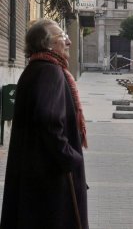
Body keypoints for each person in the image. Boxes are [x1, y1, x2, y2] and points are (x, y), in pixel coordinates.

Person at [0, 19, 89, 229]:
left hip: (35, 175)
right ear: (47, 44)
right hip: (50, 179)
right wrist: (70, 157)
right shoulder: (50, 72)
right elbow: (48, 119)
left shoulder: (35, 69)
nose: (68, 41)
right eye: (62, 37)